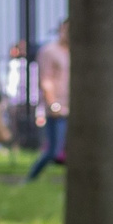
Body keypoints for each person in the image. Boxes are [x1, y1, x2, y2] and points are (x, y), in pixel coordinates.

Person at [29, 20, 71, 183]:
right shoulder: (49, 51)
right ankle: (30, 179)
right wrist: (53, 105)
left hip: (69, 106)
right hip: (57, 108)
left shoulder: (72, 51)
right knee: (53, 151)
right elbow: (46, 80)